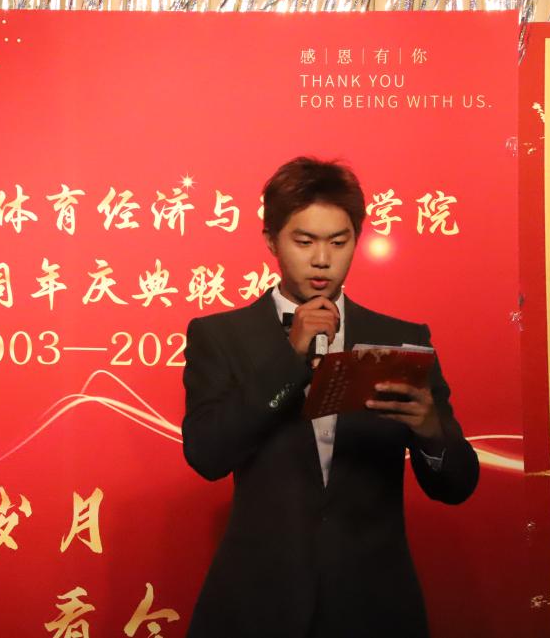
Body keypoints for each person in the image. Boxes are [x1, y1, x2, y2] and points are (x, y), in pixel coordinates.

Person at [181, 157, 479, 638]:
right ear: (271, 240)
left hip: (374, 605)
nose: (322, 259)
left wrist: (430, 432)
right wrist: (290, 356)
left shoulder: (400, 339)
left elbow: (458, 485)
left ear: (356, 240)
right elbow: (207, 454)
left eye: (339, 242)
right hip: (257, 602)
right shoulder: (221, 336)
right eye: (304, 241)